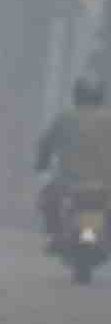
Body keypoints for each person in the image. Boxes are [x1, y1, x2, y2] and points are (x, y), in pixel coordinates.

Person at [36, 75, 111, 241]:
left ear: (77, 95)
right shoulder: (108, 119)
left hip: (69, 181)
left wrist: (41, 165)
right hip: (103, 184)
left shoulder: (64, 118)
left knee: (47, 197)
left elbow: (45, 144)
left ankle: (53, 234)